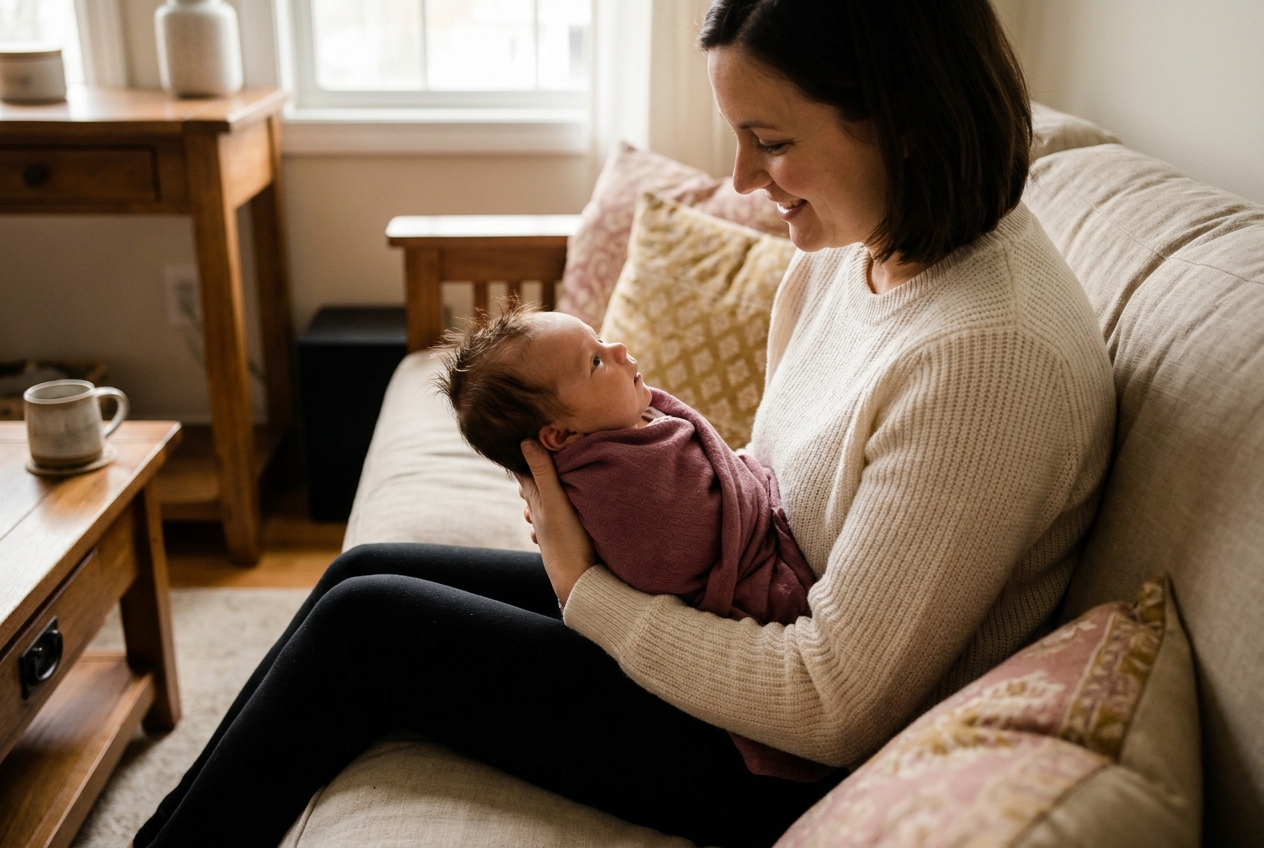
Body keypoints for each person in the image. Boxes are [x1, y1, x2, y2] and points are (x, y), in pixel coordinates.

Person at [135, 1, 1116, 846]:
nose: (739, 179)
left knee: (367, 629)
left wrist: (586, 590)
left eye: (770, 141)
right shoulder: (854, 244)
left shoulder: (989, 354)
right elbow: (763, 477)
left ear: (905, 121)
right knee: (362, 568)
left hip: (787, 760)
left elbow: (832, 701)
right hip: (741, 607)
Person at [437, 303, 824, 780]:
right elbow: (674, 561)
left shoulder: (622, 426)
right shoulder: (618, 488)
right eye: (595, 361)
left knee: (363, 600)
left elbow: (705, 463)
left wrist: (576, 577)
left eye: (600, 341)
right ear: (558, 435)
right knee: (363, 571)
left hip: (730, 661)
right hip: (732, 590)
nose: (618, 349)